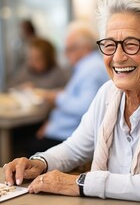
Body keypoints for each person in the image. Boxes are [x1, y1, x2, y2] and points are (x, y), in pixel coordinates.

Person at [4, 0, 140, 205]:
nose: (118, 57)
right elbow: (75, 148)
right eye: (110, 45)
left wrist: (82, 184)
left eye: (132, 44)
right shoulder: (107, 93)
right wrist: (40, 162)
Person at [18, 21, 109, 157]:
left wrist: (56, 97)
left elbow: (85, 107)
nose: (66, 54)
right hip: (63, 133)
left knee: (19, 143)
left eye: (69, 49)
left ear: (85, 48)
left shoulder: (91, 69)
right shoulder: (88, 66)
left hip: (67, 138)